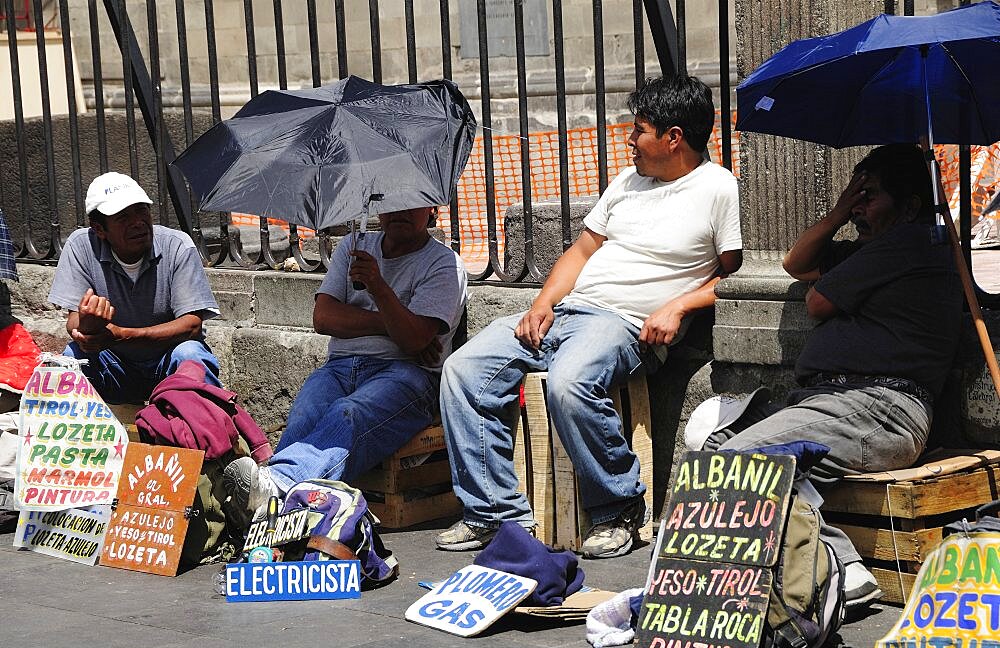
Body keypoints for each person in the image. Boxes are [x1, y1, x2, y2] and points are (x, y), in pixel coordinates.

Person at [435, 75, 744, 559]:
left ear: (674, 137)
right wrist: (542, 303)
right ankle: (495, 514)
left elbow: (734, 278)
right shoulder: (627, 182)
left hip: (622, 323)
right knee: (462, 371)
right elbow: (580, 253)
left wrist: (679, 305)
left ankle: (617, 507)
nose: (629, 140)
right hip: (568, 311)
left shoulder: (719, 189)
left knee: (569, 381)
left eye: (639, 129)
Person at [707, 143, 963, 609]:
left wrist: (853, 214)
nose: (860, 206)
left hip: (877, 407)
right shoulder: (872, 248)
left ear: (910, 207)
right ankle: (837, 566)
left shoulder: (910, 242)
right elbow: (796, 264)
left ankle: (841, 566)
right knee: (713, 446)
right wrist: (841, 208)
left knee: (737, 458)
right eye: (857, 194)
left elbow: (816, 300)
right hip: (836, 405)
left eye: (871, 195)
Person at [224, 206, 467, 524]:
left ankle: (277, 486)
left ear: (432, 210)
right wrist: (395, 324)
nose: (400, 212)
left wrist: (378, 288)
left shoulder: (444, 264)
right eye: (392, 204)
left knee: (347, 414)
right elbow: (324, 318)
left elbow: (415, 341)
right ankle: (273, 502)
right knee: (307, 413)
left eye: (412, 205)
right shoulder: (354, 247)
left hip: (407, 374)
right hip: (341, 364)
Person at [48, 172, 222, 404]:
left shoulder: (178, 246)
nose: (138, 222)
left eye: (142, 210)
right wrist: (90, 323)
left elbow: (192, 326)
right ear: (100, 229)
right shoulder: (81, 246)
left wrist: (121, 335)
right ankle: (81, 438)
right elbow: (73, 323)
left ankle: (202, 434)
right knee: (74, 357)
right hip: (115, 366)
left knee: (191, 354)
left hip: (166, 361)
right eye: (123, 217)